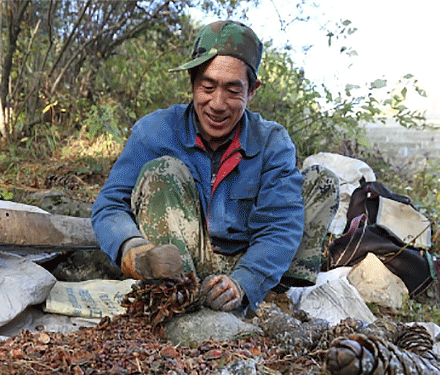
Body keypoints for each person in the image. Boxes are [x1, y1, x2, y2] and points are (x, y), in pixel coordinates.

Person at [91, 19, 339, 313]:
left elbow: (280, 224)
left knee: (322, 180)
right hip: (181, 259)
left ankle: (271, 296)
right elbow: (109, 205)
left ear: (252, 90)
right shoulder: (154, 131)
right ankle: (178, 296)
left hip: (244, 262)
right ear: (192, 83)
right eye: (207, 86)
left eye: (233, 91)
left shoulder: (272, 141)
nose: (217, 104)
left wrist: (244, 283)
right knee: (163, 170)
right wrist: (132, 248)